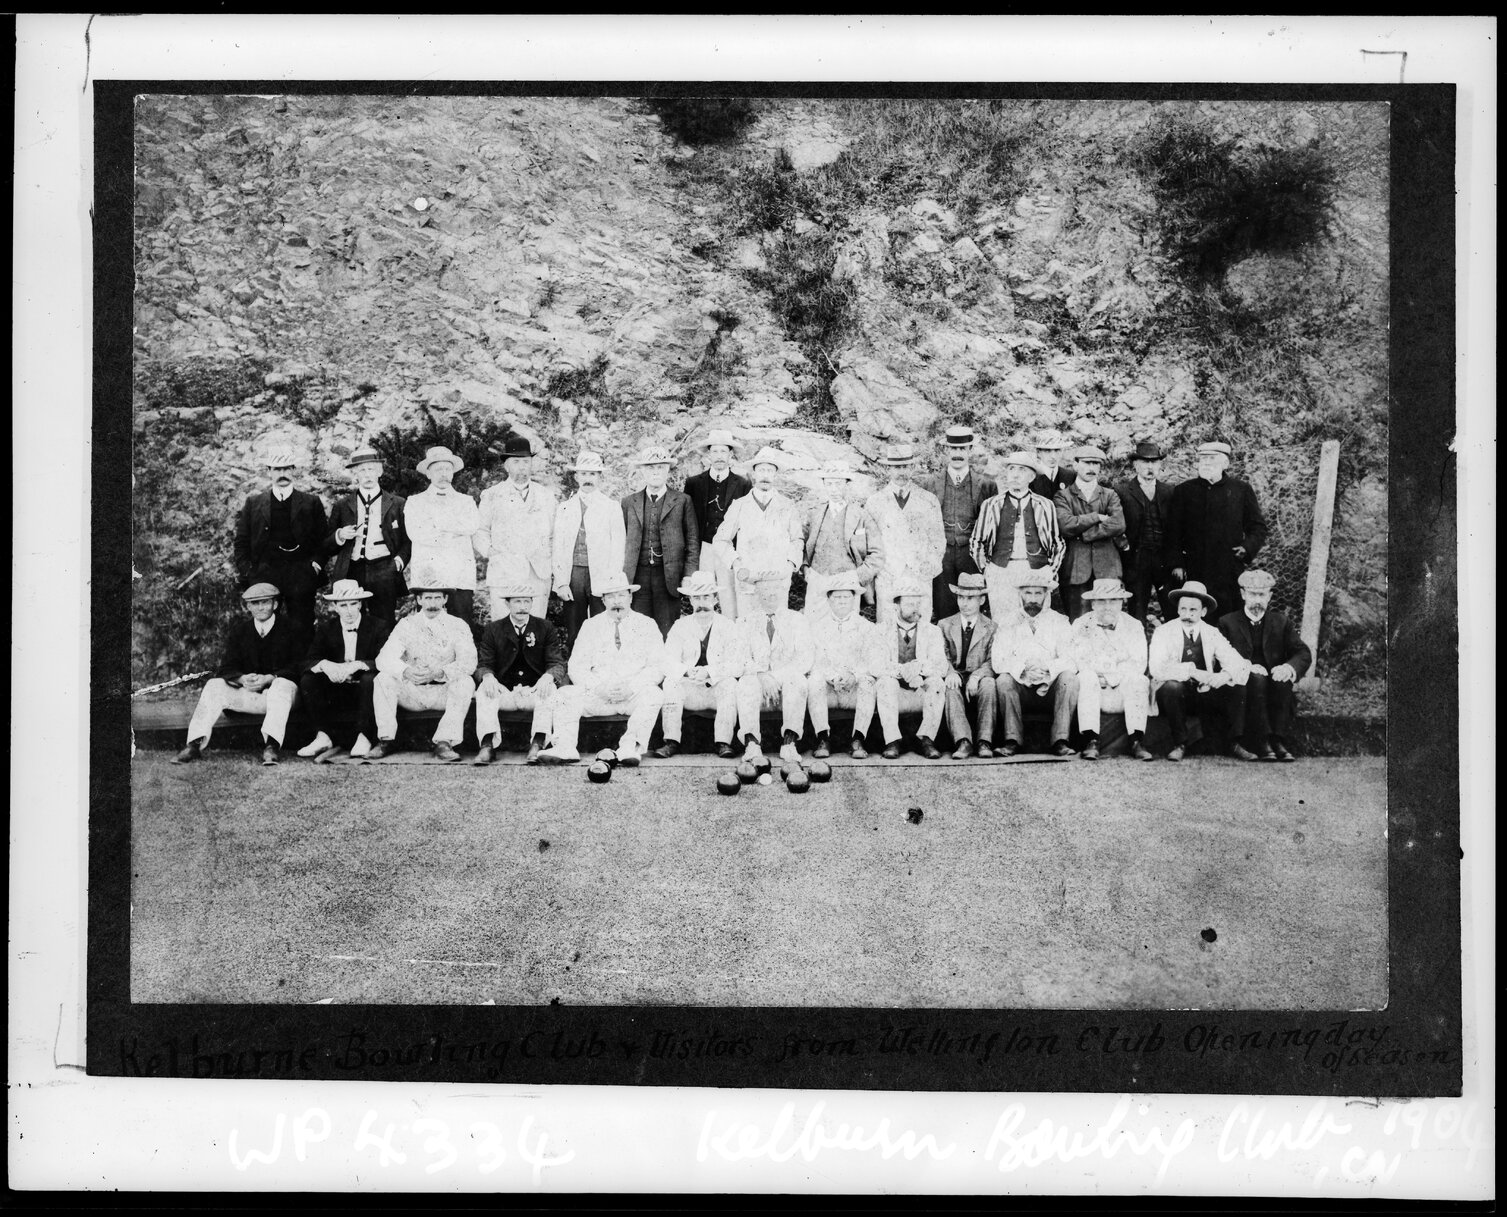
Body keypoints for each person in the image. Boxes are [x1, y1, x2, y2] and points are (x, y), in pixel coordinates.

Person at [536, 571, 666, 766]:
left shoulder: (647, 624)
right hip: (598, 696)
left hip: (632, 696)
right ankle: (564, 747)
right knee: (563, 695)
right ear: (603, 600)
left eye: (621, 595)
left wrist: (632, 687)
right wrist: (599, 687)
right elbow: (576, 666)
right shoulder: (590, 625)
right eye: (611, 596)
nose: (617, 601)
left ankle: (630, 748)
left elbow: (658, 665)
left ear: (630, 597)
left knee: (654, 694)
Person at [172, 583, 307, 767]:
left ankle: (271, 746)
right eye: (255, 603)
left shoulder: (292, 629)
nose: (261, 607)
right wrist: (242, 679)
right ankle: (194, 744)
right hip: (251, 695)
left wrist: (270, 678)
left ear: (275, 604)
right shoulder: (240, 631)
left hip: (283, 697)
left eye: (265, 602)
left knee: (281, 685)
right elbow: (226, 667)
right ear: (248, 606)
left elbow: (300, 665)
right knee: (214, 685)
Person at [366, 570, 478, 762]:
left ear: (445, 599)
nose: (432, 604)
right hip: (413, 692)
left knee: (465, 682)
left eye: (437, 598)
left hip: (442, 692)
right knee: (383, 678)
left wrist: (441, 672)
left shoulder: (458, 625)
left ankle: (444, 741)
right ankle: (386, 739)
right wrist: (406, 671)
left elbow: (469, 662)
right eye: (427, 598)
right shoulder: (406, 624)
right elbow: (383, 658)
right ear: (419, 600)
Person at [652, 571, 760, 760]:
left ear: (715, 599)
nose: (702, 603)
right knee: (671, 683)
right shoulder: (680, 625)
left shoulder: (727, 626)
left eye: (706, 597)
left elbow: (737, 663)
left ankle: (723, 742)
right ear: (690, 601)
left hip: (715, 689)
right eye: (697, 598)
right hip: (690, 688)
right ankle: (671, 741)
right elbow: (666, 660)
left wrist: (709, 671)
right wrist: (686, 671)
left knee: (729, 684)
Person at [1166, 441, 1268, 627]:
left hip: (1227, 569)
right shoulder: (1184, 491)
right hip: (1194, 568)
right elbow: (1172, 531)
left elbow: (1258, 527)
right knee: (1195, 615)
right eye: (1203, 459)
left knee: (1228, 619)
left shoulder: (1241, 490)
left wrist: (1247, 548)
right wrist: (1176, 563)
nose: (1206, 463)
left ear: (1225, 463)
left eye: (1212, 459)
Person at [1149, 580, 1251, 762]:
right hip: (1175, 696)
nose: (1187, 615)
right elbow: (1156, 668)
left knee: (1237, 685)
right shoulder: (1164, 632)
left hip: (1204, 695)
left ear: (1203, 611)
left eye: (1193, 610)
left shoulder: (1212, 632)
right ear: (1177, 609)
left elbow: (1238, 662)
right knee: (1172, 687)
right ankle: (1180, 744)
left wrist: (1225, 675)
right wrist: (1192, 671)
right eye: (1183, 609)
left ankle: (1234, 743)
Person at [1217, 569, 1311, 761]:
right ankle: (1262, 740)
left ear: (1269, 596)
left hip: (1272, 684)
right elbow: (1219, 658)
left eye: (1262, 595)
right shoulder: (1227, 622)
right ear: (1243, 594)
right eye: (1253, 594)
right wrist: (1247, 668)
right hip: (1241, 684)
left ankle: (1277, 740)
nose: (1257, 600)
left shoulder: (1281, 622)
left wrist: (1288, 668)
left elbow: (1302, 652)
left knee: (1282, 679)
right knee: (1257, 679)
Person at [472, 584, 569, 766]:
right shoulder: (494, 629)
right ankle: (487, 745)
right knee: (484, 688)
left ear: (532, 603)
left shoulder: (545, 627)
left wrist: (548, 677)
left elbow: (557, 662)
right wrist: (488, 677)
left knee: (550, 688)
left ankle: (538, 744)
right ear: (507, 604)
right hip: (504, 692)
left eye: (526, 601)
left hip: (534, 691)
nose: (522, 607)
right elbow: (484, 664)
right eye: (517, 601)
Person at [296, 579, 391, 762]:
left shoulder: (378, 626)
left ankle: (364, 736)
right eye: (343, 605)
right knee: (309, 679)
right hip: (336, 691)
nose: (349, 611)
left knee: (370, 679)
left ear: (360, 604)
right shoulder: (326, 628)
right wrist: (326, 665)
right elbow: (308, 660)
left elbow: (386, 659)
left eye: (353, 604)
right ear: (335, 607)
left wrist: (358, 665)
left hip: (366, 691)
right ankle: (323, 736)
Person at [233, 449, 328, 633]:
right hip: (264, 574)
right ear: (269, 471)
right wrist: (249, 571)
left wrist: (315, 565)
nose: (282, 474)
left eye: (286, 469)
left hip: (301, 575)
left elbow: (323, 540)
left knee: (302, 627)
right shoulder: (254, 503)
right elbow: (241, 541)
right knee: (266, 627)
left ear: (293, 470)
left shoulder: (311, 502)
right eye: (277, 469)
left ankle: (302, 653)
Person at [990, 568, 1078, 757]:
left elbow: (1071, 660)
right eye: (1028, 593)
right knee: (1003, 680)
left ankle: (1060, 741)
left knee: (1069, 679)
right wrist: (1023, 669)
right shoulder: (1008, 622)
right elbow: (998, 660)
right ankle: (1012, 741)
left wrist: (1047, 668)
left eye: (1038, 593)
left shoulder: (1059, 621)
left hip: (1051, 688)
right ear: (1020, 594)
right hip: (1020, 688)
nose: (1032, 599)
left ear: (1046, 594)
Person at [970, 450, 1064, 625]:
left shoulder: (1045, 505)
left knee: (1037, 621)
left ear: (1031, 477)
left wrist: (1050, 571)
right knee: (1002, 623)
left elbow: (1057, 543)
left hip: (1036, 571)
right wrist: (986, 570)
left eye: (1022, 470)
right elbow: (976, 541)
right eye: (1011, 469)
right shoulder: (991, 504)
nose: (1015, 474)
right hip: (1001, 572)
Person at [1068, 578, 1154, 762]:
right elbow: (1079, 659)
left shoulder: (1134, 625)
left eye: (1113, 601)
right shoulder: (1081, 624)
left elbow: (1138, 662)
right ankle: (1091, 740)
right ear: (1092, 603)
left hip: (1122, 690)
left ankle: (1136, 740)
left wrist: (1110, 676)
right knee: (1085, 676)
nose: (1107, 607)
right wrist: (1103, 674)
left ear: (1122, 602)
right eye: (1101, 601)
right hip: (1093, 691)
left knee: (1139, 679)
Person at [712, 446, 803, 619]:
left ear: (775, 475)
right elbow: (721, 540)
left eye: (770, 471)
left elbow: (797, 540)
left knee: (777, 626)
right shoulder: (740, 505)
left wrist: (789, 565)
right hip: (749, 581)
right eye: (761, 470)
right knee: (749, 627)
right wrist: (737, 564)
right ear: (753, 474)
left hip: (777, 581)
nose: (765, 475)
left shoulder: (787, 506)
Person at [325, 446, 411, 628]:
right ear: (355, 474)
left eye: (371, 469)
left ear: (380, 471)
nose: (367, 474)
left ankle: (384, 648)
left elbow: (407, 540)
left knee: (384, 621)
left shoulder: (397, 503)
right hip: (352, 570)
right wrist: (340, 535)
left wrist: (398, 562)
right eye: (362, 470)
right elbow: (327, 543)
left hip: (384, 569)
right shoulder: (342, 505)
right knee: (353, 620)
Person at [474, 434, 555, 621]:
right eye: (516, 462)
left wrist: (547, 556)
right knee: (503, 627)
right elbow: (479, 531)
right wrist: (491, 552)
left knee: (535, 627)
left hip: (537, 573)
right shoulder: (493, 495)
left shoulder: (546, 496)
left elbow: (555, 534)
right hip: (504, 572)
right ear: (506, 466)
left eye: (526, 461)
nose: (522, 466)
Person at [551, 450, 628, 647]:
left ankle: (602, 662)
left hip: (602, 575)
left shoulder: (611, 507)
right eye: (584, 473)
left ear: (599, 477)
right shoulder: (565, 508)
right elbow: (558, 547)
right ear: (576, 476)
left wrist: (613, 580)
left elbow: (618, 547)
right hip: (574, 574)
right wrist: (561, 583)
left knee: (603, 624)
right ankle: (575, 662)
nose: (588, 479)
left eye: (592, 474)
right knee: (574, 625)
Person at [621, 444, 699, 637]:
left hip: (668, 578)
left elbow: (692, 541)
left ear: (667, 470)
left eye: (660, 467)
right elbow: (620, 541)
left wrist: (688, 574)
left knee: (668, 631)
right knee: (638, 631)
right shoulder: (629, 502)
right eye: (650, 468)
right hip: (637, 578)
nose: (655, 472)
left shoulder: (682, 501)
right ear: (642, 471)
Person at [863, 443, 945, 625]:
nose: (901, 472)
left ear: (912, 467)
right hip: (888, 574)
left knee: (920, 624)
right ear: (888, 469)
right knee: (888, 625)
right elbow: (870, 544)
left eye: (905, 466)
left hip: (919, 573)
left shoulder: (928, 500)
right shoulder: (875, 502)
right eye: (896, 467)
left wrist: (930, 565)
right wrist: (879, 570)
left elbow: (938, 540)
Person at [922, 425, 997, 620]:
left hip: (972, 557)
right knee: (943, 608)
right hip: (941, 557)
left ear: (970, 450)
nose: (957, 453)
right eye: (953, 448)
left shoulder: (986, 485)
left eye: (962, 448)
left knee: (972, 607)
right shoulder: (930, 483)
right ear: (946, 450)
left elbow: (992, 528)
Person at [871, 580, 949, 759]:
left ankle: (927, 739)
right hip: (894, 684)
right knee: (885, 683)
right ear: (896, 606)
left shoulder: (932, 631)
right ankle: (892, 741)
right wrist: (903, 670)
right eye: (909, 604)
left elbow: (941, 665)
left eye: (918, 603)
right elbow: (876, 665)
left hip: (921, 685)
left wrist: (918, 668)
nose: (916, 608)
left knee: (937, 683)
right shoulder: (881, 630)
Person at [806, 572, 881, 759]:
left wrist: (854, 675)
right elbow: (815, 660)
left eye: (846, 597)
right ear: (829, 600)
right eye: (837, 597)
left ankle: (858, 739)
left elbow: (873, 659)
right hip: (829, 684)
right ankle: (822, 738)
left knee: (868, 682)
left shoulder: (866, 627)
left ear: (854, 600)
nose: (842, 601)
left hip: (854, 684)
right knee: (814, 680)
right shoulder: (817, 627)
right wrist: (832, 676)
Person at [404, 445, 481, 625]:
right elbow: (416, 533)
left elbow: (471, 526)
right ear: (428, 473)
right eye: (438, 469)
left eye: (447, 469)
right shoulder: (415, 502)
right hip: (428, 574)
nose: (444, 474)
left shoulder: (466, 502)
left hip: (459, 574)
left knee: (461, 624)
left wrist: (436, 526)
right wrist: (453, 532)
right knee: (429, 625)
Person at [744, 573, 815, 766]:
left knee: (797, 681)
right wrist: (761, 674)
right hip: (758, 677)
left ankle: (789, 743)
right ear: (757, 593)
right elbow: (739, 657)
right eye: (764, 590)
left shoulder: (797, 620)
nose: (770, 594)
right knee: (745, 683)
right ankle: (752, 743)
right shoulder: (745, 621)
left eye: (775, 589)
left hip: (786, 677)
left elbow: (805, 658)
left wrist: (774, 677)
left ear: (783, 591)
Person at [800, 460, 883, 622]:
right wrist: (805, 568)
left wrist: (858, 576)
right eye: (829, 484)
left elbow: (877, 555)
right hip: (818, 580)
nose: (834, 489)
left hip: (848, 584)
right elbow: (801, 544)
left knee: (846, 628)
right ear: (824, 485)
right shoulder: (814, 514)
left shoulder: (861, 516)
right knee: (813, 626)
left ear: (847, 485)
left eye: (838, 484)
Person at [682, 429, 752, 618]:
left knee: (728, 595)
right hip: (704, 547)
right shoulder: (694, 483)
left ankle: (731, 629)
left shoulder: (743, 484)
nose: (719, 456)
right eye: (715, 451)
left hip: (728, 548)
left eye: (723, 451)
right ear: (708, 455)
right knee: (702, 592)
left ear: (730, 455)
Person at [1054, 445, 1126, 621]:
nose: (1091, 468)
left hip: (1107, 567)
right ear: (1075, 465)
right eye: (1087, 463)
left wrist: (1085, 534)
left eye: (1096, 464)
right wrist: (1097, 517)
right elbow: (1066, 525)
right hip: (1077, 568)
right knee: (1078, 620)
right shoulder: (1063, 496)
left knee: (1109, 619)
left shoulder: (1110, 495)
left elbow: (1118, 524)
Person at [937, 571, 999, 759]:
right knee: (950, 688)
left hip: (978, 676)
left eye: (970, 598)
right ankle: (963, 741)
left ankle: (984, 741)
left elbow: (993, 660)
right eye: (961, 597)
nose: (964, 603)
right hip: (956, 674)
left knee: (989, 684)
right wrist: (950, 671)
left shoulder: (992, 627)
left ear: (982, 600)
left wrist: (977, 676)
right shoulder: (944, 625)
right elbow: (940, 655)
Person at [1112, 440, 1176, 624]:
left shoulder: (1170, 491)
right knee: (1136, 612)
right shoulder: (1122, 491)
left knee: (1172, 609)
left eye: (1154, 462)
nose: (1150, 467)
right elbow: (1114, 525)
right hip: (1137, 560)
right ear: (1135, 465)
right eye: (1145, 462)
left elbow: (1177, 528)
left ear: (1160, 465)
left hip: (1164, 560)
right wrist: (1124, 549)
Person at [1029, 429, 1077, 501]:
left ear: (1062, 451)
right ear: (1038, 452)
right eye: (1047, 451)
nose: (1053, 456)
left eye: (1057, 450)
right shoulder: (1031, 477)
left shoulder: (1071, 476)